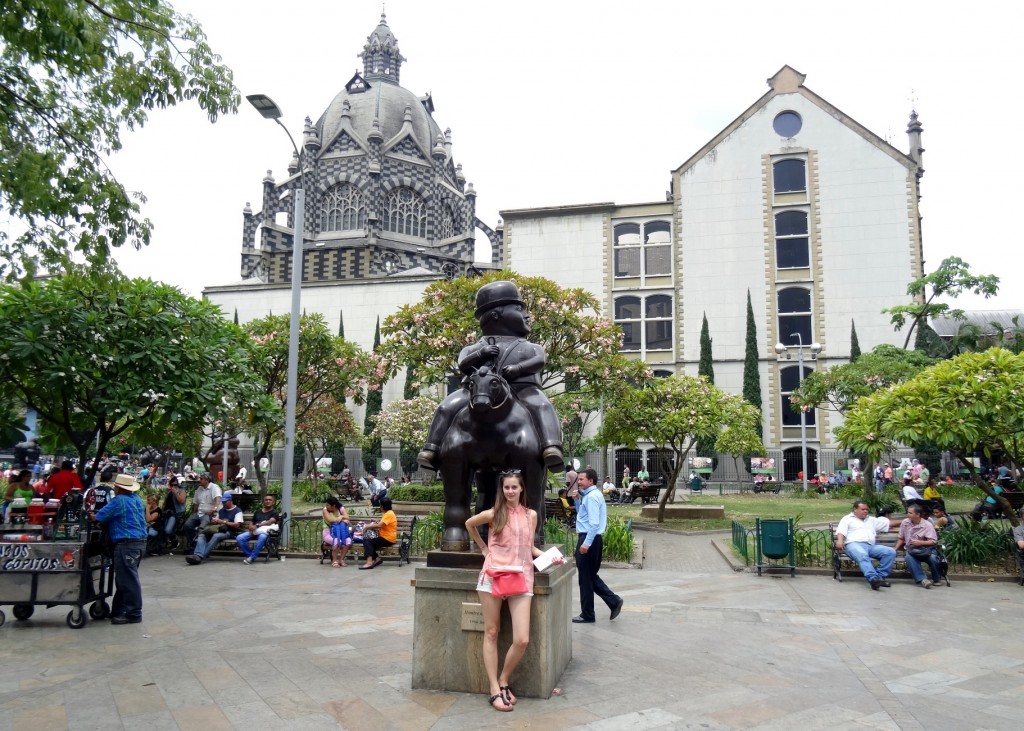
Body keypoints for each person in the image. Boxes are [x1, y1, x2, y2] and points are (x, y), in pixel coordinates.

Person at [416, 281, 564, 471]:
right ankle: (431, 449)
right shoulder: (474, 347)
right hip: (475, 392)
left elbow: (539, 360)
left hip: (523, 389)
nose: (527, 315)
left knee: (543, 405)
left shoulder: (530, 347)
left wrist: (518, 369)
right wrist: (481, 353)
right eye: (519, 309)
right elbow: (463, 364)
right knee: (445, 407)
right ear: (495, 314)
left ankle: (551, 447)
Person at [466, 470, 564, 712]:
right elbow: (469, 524)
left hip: (521, 578)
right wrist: (483, 549)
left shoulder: (531, 515)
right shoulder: (493, 513)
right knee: (491, 632)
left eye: (514, 487)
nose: (510, 491)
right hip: (493, 576)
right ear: (502, 490)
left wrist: (552, 557)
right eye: (506, 487)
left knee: (522, 639)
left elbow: (529, 547)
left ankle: (503, 679)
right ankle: (493, 689)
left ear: (521, 489)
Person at [93, 474, 147, 624]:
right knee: (124, 579)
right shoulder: (136, 499)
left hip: (126, 544)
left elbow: (99, 516)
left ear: (118, 488)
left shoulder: (119, 501)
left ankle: (134, 614)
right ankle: (118, 610)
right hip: (140, 543)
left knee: (128, 580)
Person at [571, 468, 623, 623]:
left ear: (590, 481)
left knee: (585, 579)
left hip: (589, 538)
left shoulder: (592, 497)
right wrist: (577, 501)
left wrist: (586, 543)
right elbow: (584, 515)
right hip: (592, 538)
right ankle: (613, 601)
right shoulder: (589, 495)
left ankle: (588, 614)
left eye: (581, 479)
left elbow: (593, 524)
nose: (578, 482)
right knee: (590, 576)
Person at [834, 500, 896, 590]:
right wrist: (840, 541)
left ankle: (879, 578)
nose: (865, 511)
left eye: (867, 509)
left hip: (870, 546)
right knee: (862, 555)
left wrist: (907, 521)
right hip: (853, 545)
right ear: (855, 509)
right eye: (863, 509)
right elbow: (841, 531)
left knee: (890, 552)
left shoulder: (871, 520)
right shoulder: (847, 519)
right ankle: (873, 578)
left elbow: (889, 524)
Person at [186, 492, 242, 565]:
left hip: (228, 532)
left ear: (230, 501)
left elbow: (237, 525)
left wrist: (223, 522)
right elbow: (216, 520)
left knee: (216, 536)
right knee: (202, 535)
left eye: (225, 502)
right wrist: (214, 521)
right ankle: (197, 554)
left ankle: (199, 556)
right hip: (217, 529)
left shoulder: (237, 511)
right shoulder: (221, 510)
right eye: (223, 502)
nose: (224, 504)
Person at [895, 504, 943, 589]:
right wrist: (895, 549)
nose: (908, 515)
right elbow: (901, 538)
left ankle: (937, 579)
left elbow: (933, 541)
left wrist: (920, 543)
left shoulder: (927, 525)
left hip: (926, 549)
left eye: (910, 513)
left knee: (933, 558)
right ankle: (923, 580)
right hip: (912, 550)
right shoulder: (905, 522)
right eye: (908, 512)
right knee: (909, 558)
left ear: (918, 514)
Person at [236, 493, 280, 564]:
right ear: (263, 501)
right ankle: (250, 555)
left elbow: (270, 522)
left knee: (262, 537)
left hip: (265, 532)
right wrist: (250, 527)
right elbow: (252, 521)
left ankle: (252, 558)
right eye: (266, 500)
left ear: (273, 502)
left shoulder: (274, 512)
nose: (268, 501)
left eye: (270, 500)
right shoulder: (258, 511)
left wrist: (257, 526)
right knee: (240, 538)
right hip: (254, 531)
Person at [183, 472, 222, 548]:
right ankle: (194, 544)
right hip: (199, 513)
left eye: (201, 479)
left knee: (201, 529)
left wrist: (213, 509)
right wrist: (193, 513)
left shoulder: (214, 487)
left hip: (209, 514)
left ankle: (201, 548)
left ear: (207, 480)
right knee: (187, 526)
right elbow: (196, 503)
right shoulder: (199, 489)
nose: (199, 480)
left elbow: (218, 500)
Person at [359, 497, 396, 569]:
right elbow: (383, 523)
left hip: (387, 538)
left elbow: (380, 525)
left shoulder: (389, 514)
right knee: (369, 542)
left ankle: (369, 562)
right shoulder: (388, 513)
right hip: (386, 537)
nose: (379, 507)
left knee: (367, 541)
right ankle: (377, 559)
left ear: (382, 506)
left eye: (380, 505)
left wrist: (367, 527)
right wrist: (376, 520)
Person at [159, 475, 188, 552]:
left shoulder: (182, 491)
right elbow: (165, 503)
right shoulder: (169, 492)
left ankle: (175, 539)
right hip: (167, 513)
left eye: (175, 485)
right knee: (162, 529)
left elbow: (181, 501)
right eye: (172, 485)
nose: (174, 486)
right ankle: (163, 545)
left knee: (168, 530)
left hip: (176, 513)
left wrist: (176, 493)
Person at [321, 496, 352, 567]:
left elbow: (348, 519)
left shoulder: (341, 509)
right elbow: (330, 520)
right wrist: (341, 519)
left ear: (333, 505)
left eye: (328, 505)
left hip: (340, 532)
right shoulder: (325, 510)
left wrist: (341, 517)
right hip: (328, 532)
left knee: (348, 541)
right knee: (337, 541)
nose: (326, 506)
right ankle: (334, 561)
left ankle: (341, 560)